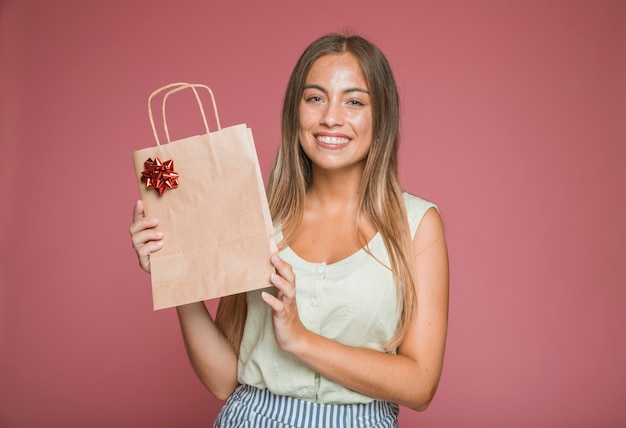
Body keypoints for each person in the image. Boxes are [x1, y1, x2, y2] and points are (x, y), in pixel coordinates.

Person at [130, 32, 449, 428]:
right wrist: (177, 272)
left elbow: (420, 385)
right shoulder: (260, 216)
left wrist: (300, 338)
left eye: (354, 101)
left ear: (381, 116)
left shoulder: (417, 225)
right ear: (294, 112)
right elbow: (222, 380)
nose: (331, 117)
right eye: (315, 98)